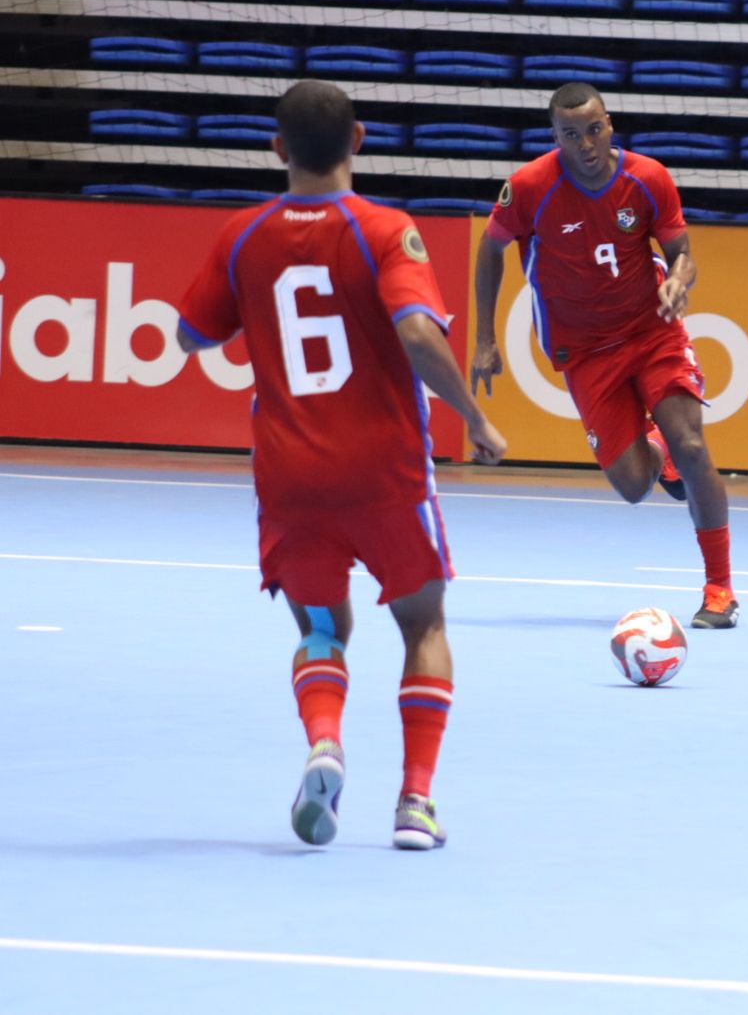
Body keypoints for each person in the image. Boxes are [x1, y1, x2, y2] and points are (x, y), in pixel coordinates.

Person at [176, 80, 508, 851]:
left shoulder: (242, 234)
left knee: (323, 626)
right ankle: (415, 802)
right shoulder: (386, 230)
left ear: (278, 148)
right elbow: (420, 336)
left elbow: (192, 335)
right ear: (359, 139)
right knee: (423, 623)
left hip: (291, 478)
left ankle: (324, 740)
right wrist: (475, 416)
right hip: (385, 471)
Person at [471, 82, 738, 629]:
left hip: (651, 329)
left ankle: (719, 589)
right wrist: (484, 340)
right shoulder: (528, 187)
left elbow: (681, 252)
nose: (586, 144)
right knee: (634, 487)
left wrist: (680, 281)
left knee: (692, 444)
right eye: (572, 135)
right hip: (587, 352)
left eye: (594, 130)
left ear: (609, 124)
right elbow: (490, 249)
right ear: (556, 137)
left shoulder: (648, 177)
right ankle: (654, 449)